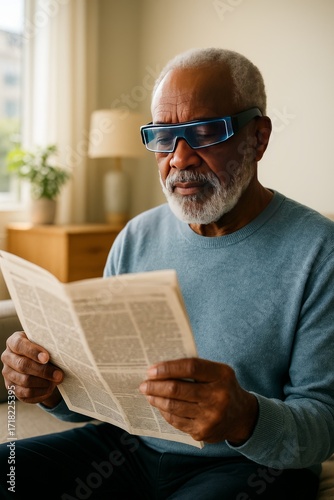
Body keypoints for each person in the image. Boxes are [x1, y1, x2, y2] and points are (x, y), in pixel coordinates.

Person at [1, 47, 334, 500]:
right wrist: (51, 388)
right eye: (163, 136)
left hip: (251, 466)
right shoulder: (136, 236)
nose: (179, 158)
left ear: (258, 137)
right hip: (128, 451)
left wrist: (244, 417)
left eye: (203, 132)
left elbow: (324, 423)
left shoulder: (319, 250)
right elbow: (104, 395)